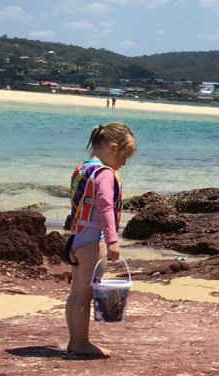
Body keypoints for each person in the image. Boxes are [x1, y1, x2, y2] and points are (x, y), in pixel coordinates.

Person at [64, 122, 136, 357]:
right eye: (125, 157)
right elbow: (105, 206)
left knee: (76, 293)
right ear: (113, 148)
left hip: (76, 238)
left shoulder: (83, 168)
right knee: (86, 295)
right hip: (94, 241)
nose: (124, 163)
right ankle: (82, 343)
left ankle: (75, 341)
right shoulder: (104, 174)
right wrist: (112, 240)